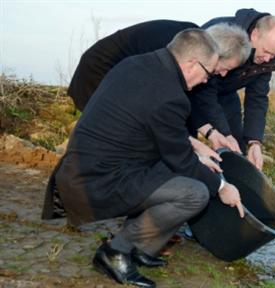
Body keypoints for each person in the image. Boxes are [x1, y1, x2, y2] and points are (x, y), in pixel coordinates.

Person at [43, 29, 244, 287]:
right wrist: (223, 187)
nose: (206, 81)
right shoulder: (170, 95)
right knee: (195, 192)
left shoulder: (138, 64)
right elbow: (180, 161)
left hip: (84, 165)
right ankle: (115, 252)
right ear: (192, 63)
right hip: (97, 180)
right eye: (208, 73)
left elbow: (155, 129)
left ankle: (143, 250)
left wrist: (194, 155)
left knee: (187, 174)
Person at [68, 20, 250, 112]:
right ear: (215, 52)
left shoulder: (195, 50)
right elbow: (161, 105)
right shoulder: (183, 45)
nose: (224, 74)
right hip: (99, 71)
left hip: (122, 76)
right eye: (225, 67)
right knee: (114, 128)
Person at [190, 8, 275, 170]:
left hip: (227, 93)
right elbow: (206, 94)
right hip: (196, 88)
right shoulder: (225, 35)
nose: (268, 58)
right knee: (188, 138)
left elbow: (257, 98)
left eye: (274, 54)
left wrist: (254, 142)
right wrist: (222, 133)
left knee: (236, 143)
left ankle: (235, 182)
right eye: (267, 51)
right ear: (255, 34)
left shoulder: (268, 56)